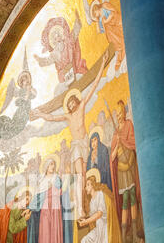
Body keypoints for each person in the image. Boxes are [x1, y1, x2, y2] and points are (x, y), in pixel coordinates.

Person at [32, 51, 109, 218]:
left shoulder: (81, 107)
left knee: (87, 173)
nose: (73, 103)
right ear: (68, 105)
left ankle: (87, 204)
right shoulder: (67, 116)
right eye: (70, 103)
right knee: (80, 175)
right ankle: (80, 209)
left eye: (74, 101)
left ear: (77, 101)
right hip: (76, 145)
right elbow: (52, 118)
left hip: (85, 142)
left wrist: (102, 64)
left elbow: (94, 86)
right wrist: (39, 114)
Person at [78, 169, 147, 243]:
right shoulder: (92, 200)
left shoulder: (100, 195)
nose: (86, 188)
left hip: (106, 229)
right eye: (85, 185)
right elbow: (93, 216)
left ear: (93, 184)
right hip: (98, 229)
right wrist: (84, 219)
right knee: (84, 242)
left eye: (87, 185)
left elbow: (99, 214)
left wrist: (86, 222)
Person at [26, 156, 73, 243]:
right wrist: (29, 209)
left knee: (55, 242)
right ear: (46, 166)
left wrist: (64, 182)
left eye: (54, 164)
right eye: (51, 164)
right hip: (46, 214)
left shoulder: (57, 179)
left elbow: (62, 193)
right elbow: (37, 198)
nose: (53, 166)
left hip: (56, 214)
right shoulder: (42, 181)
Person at [110, 100, 144, 243]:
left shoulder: (129, 124)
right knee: (125, 201)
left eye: (120, 113)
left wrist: (124, 141)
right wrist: (117, 142)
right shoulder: (115, 132)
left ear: (124, 112)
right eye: (116, 114)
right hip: (121, 171)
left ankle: (135, 233)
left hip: (130, 167)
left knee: (132, 198)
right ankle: (124, 237)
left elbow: (133, 142)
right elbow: (112, 157)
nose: (119, 116)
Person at [34, 13, 88, 84]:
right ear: (53, 41)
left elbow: (74, 33)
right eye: (55, 38)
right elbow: (48, 60)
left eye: (58, 35)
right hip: (65, 75)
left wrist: (77, 21)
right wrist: (39, 59)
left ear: (61, 34)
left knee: (81, 77)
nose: (58, 38)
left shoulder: (68, 42)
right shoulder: (55, 53)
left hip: (75, 67)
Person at [90, 1, 125, 72]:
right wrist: (97, 21)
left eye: (95, 13)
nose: (95, 15)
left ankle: (120, 56)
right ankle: (120, 56)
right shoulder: (100, 19)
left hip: (117, 23)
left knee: (109, 29)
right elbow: (99, 31)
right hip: (112, 32)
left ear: (96, 9)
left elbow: (112, 13)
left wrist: (106, 22)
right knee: (112, 36)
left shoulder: (104, 7)